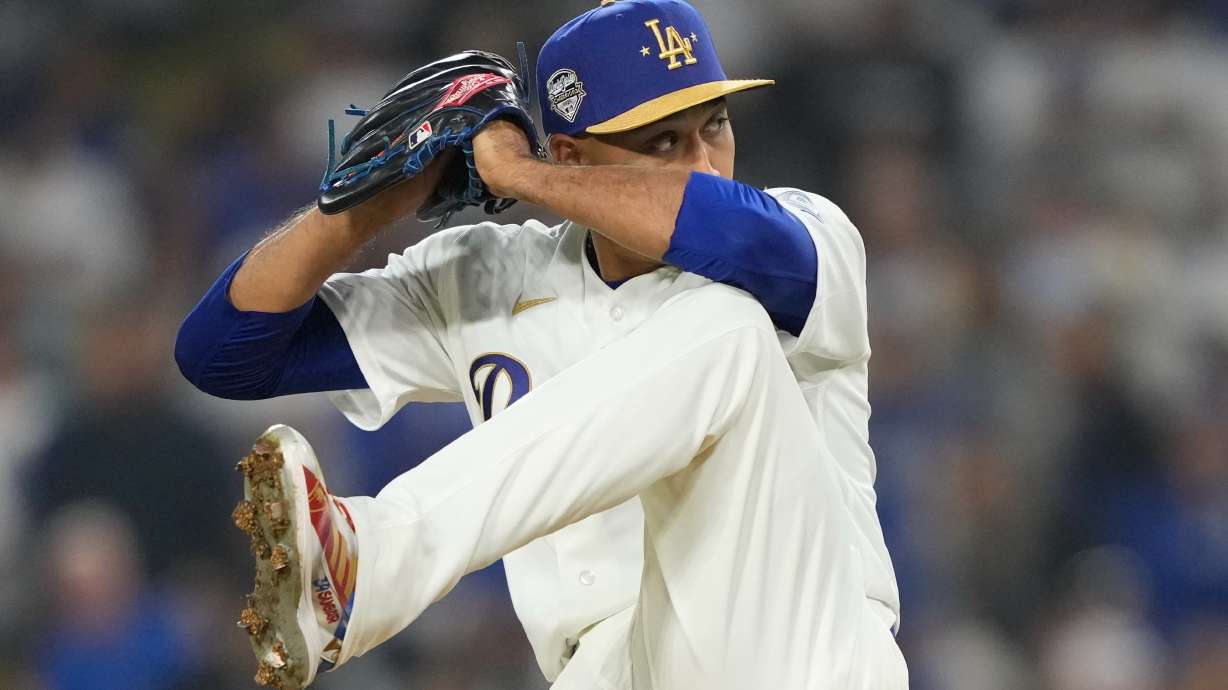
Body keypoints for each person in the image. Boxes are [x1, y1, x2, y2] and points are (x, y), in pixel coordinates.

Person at [176, 1, 906, 688]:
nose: (706, 162)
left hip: (798, 645)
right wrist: (369, 208)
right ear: (573, 154)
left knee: (730, 329)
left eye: (713, 126)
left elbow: (725, 225)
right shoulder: (490, 279)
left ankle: (375, 561)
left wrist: (522, 175)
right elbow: (225, 352)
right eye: (662, 141)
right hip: (597, 669)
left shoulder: (810, 237)